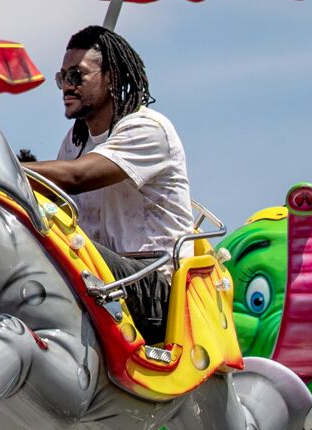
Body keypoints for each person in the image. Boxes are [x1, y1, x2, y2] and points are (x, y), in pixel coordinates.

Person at [23, 26, 194, 342]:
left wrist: (5, 165)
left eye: (77, 76)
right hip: (103, 276)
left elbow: (77, 177)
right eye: (62, 78)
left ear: (112, 78)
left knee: (58, 261)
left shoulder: (147, 129)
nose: (66, 87)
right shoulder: (74, 144)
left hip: (155, 284)